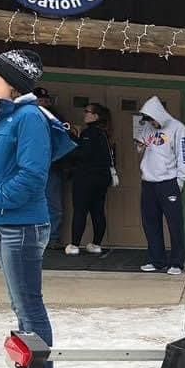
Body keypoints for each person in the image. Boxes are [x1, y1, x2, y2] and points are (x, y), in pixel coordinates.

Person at [0, 49, 76, 368]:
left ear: (12, 82)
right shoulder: (6, 116)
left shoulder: (30, 117)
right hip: (8, 223)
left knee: (30, 308)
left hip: (22, 226)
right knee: (21, 306)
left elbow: (32, 175)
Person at [135, 96, 185, 275]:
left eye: (153, 119)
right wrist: (139, 144)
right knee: (150, 223)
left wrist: (180, 180)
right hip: (148, 182)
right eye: (149, 119)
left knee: (174, 224)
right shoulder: (146, 128)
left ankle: (176, 262)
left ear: (159, 115)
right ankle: (156, 260)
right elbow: (140, 149)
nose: (152, 122)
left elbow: (184, 155)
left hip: (169, 182)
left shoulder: (177, 128)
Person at [65, 103, 113, 255]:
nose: (84, 114)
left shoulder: (89, 133)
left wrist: (72, 136)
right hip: (102, 179)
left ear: (96, 116)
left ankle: (74, 245)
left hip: (85, 178)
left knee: (80, 211)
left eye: (87, 112)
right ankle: (96, 244)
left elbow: (81, 154)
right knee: (98, 211)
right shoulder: (104, 134)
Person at [34, 87, 69, 250]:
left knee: (53, 205)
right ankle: (34, 238)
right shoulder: (26, 117)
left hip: (53, 166)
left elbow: (64, 141)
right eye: (40, 99)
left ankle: (52, 238)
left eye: (45, 100)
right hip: (31, 167)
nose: (44, 102)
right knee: (31, 203)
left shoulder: (56, 118)